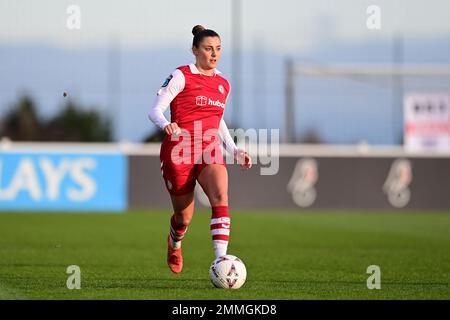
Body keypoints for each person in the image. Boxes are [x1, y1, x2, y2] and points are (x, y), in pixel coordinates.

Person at [148, 25, 252, 274]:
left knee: (220, 197)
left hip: (209, 147)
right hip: (179, 150)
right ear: (195, 50)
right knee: (183, 218)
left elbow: (218, 120)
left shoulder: (223, 84)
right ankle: (175, 242)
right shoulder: (181, 75)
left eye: (218, 49)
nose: (214, 54)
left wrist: (234, 150)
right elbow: (154, 110)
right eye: (208, 49)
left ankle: (221, 263)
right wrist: (166, 125)